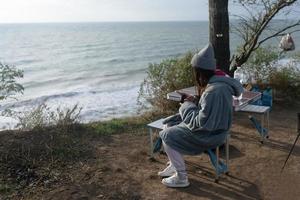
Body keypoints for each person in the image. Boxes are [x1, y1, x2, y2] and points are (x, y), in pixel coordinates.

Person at [158, 44, 243, 188]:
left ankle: (181, 177)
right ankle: (174, 165)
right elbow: (209, 112)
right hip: (217, 130)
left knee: (167, 134)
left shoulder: (212, 91)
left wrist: (186, 104)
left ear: (200, 72)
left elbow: (200, 123)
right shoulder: (221, 86)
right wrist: (194, 102)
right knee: (169, 125)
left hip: (208, 135)